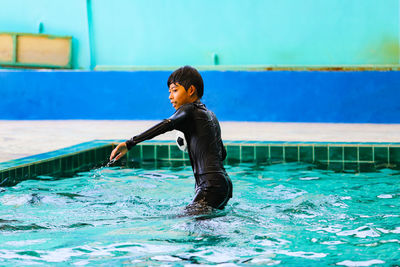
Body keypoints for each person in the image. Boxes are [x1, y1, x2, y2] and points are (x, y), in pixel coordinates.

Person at [109, 66, 232, 213]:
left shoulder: (188, 109)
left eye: (175, 90)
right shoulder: (211, 115)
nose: (170, 96)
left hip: (209, 186)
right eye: (170, 92)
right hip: (224, 184)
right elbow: (222, 154)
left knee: (185, 221)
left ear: (191, 90)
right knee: (204, 226)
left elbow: (166, 124)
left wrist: (130, 143)